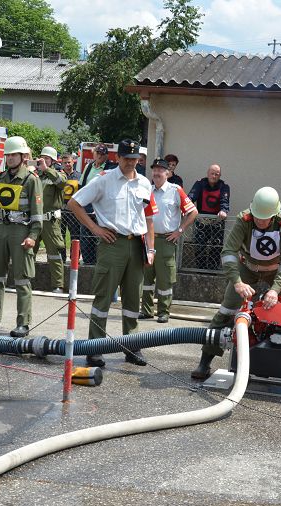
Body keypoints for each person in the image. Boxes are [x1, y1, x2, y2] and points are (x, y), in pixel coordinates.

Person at [68, 139, 158, 368]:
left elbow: (149, 219)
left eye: (134, 159)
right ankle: (95, 348)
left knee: (133, 299)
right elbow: (74, 203)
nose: (130, 162)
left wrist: (150, 249)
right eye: (126, 158)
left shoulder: (144, 183)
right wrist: (95, 229)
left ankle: (132, 346)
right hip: (112, 244)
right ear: (117, 158)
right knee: (103, 297)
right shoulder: (104, 180)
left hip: (137, 245)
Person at [191, 187, 281, 380]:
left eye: (264, 219)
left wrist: (275, 290)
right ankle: (205, 362)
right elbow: (228, 252)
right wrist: (237, 282)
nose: (259, 221)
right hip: (246, 268)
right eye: (257, 216)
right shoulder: (244, 220)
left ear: (274, 215)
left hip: (276, 271)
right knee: (226, 311)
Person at [0, 136, 43, 337]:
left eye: (14, 155)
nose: (10, 158)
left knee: (22, 279)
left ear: (23, 157)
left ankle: (23, 323)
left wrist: (33, 236)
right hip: (1, 230)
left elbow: (37, 214)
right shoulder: (0, 178)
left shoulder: (31, 180)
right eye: (8, 155)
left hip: (21, 231)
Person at [140, 158, 197, 323]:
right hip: (147, 240)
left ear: (168, 173)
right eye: (154, 170)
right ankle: (146, 310)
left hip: (166, 241)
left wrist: (180, 231)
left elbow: (193, 212)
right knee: (146, 278)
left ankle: (163, 312)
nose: (156, 173)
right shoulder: (147, 190)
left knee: (165, 279)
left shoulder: (175, 190)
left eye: (160, 170)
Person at [33, 146, 68, 293]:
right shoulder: (35, 176)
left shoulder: (58, 175)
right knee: (29, 251)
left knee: (54, 253)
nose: (43, 160)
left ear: (53, 161)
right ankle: (24, 280)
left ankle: (57, 285)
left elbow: (62, 182)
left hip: (50, 221)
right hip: (34, 220)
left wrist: (46, 169)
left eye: (47, 158)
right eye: (42, 158)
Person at [78, 143, 117, 264]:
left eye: (102, 154)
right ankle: (87, 261)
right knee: (85, 236)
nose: (99, 156)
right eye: (97, 153)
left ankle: (100, 262)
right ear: (94, 154)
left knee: (100, 237)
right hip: (87, 207)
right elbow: (82, 185)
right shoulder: (89, 166)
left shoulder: (111, 168)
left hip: (102, 208)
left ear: (107, 155)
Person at [188, 164, 230, 270]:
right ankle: (200, 269)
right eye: (212, 173)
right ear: (207, 173)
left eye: (217, 174)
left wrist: (223, 210)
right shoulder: (200, 184)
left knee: (216, 246)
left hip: (217, 222)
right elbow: (191, 197)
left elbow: (224, 201)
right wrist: (188, 207)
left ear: (220, 175)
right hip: (202, 221)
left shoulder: (224, 187)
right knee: (199, 246)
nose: (214, 176)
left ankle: (212, 269)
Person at [59, 152, 81, 263]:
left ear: (73, 162)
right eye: (65, 163)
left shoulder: (79, 176)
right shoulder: (58, 176)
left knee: (75, 236)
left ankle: (74, 259)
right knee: (60, 236)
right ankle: (61, 258)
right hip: (61, 211)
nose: (67, 164)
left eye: (69, 162)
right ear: (62, 164)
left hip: (74, 212)